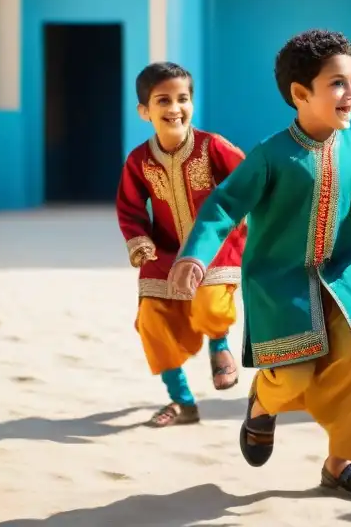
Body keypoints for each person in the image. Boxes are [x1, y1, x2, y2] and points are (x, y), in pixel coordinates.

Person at [168, 29, 351, 501]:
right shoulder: (271, 155)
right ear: (301, 94)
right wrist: (196, 255)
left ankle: (340, 465)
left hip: (342, 277)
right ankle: (261, 402)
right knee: (292, 373)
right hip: (279, 284)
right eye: (337, 83)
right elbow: (222, 206)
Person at [116, 62, 247, 428]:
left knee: (209, 303)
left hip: (217, 248)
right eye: (163, 100)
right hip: (165, 252)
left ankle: (219, 346)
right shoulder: (139, 161)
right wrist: (139, 241)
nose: (175, 108)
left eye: (182, 98)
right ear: (145, 111)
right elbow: (129, 206)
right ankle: (183, 403)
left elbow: (247, 181)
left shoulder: (212, 146)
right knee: (152, 323)